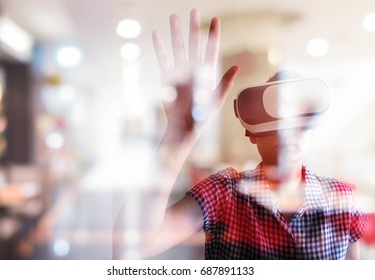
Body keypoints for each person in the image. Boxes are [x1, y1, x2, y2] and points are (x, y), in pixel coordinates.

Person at [113, 8, 367, 260]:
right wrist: (176, 140)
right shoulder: (225, 193)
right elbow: (130, 247)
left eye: (296, 112)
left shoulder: (340, 199)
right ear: (251, 131)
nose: (284, 128)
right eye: (270, 114)